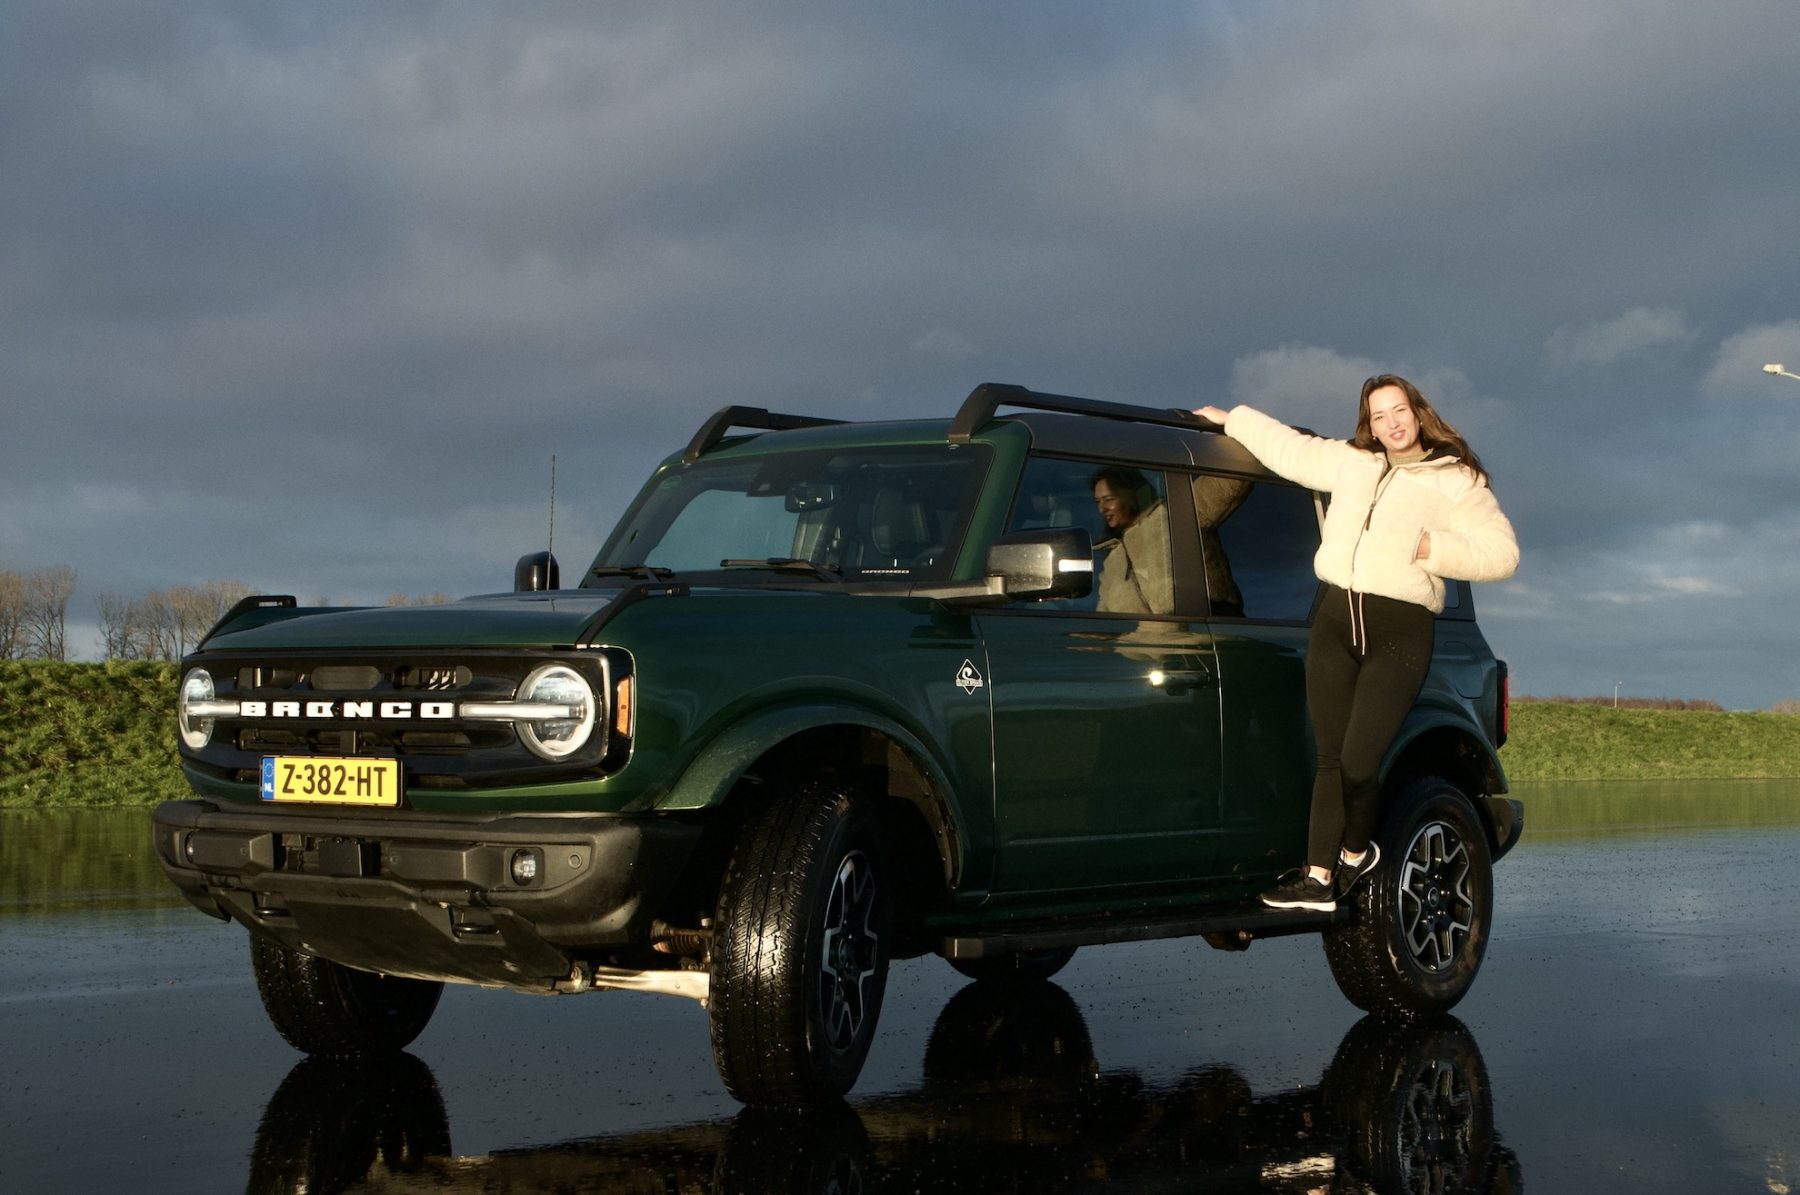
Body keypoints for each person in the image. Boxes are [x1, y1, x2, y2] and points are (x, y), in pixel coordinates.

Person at [1195, 375, 1518, 913]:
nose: (1390, 424)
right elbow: (1290, 450)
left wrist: (1429, 546)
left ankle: (1354, 852)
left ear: (1417, 413)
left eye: (1398, 411)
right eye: (1377, 416)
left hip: (1401, 629)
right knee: (1328, 758)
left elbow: (1501, 554)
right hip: (1333, 619)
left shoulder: (1454, 477)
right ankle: (1319, 878)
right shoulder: (1353, 462)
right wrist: (1234, 420)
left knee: (1359, 762)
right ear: (1367, 424)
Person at [1090, 467, 1173, 614]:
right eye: (1098, 502)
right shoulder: (1113, 557)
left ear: (1129, 496)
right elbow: (1103, 614)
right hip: (1131, 635)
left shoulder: (1164, 521)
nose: (1102, 509)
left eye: (1109, 499)